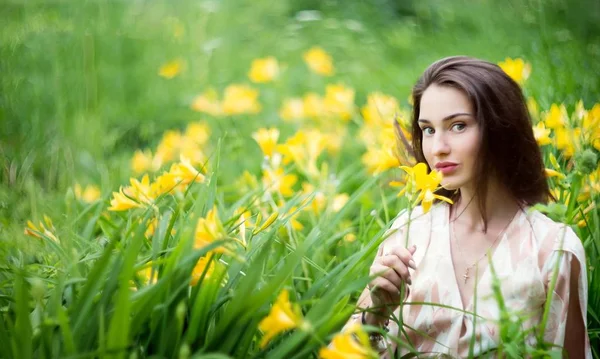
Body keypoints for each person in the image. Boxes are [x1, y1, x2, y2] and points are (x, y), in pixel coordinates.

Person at [346, 56, 591, 358]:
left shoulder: (553, 250)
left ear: (501, 127)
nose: (438, 148)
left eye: (458, 126)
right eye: (429, 130)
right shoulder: (408, 232)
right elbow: (342, 352)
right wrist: (376, 312)